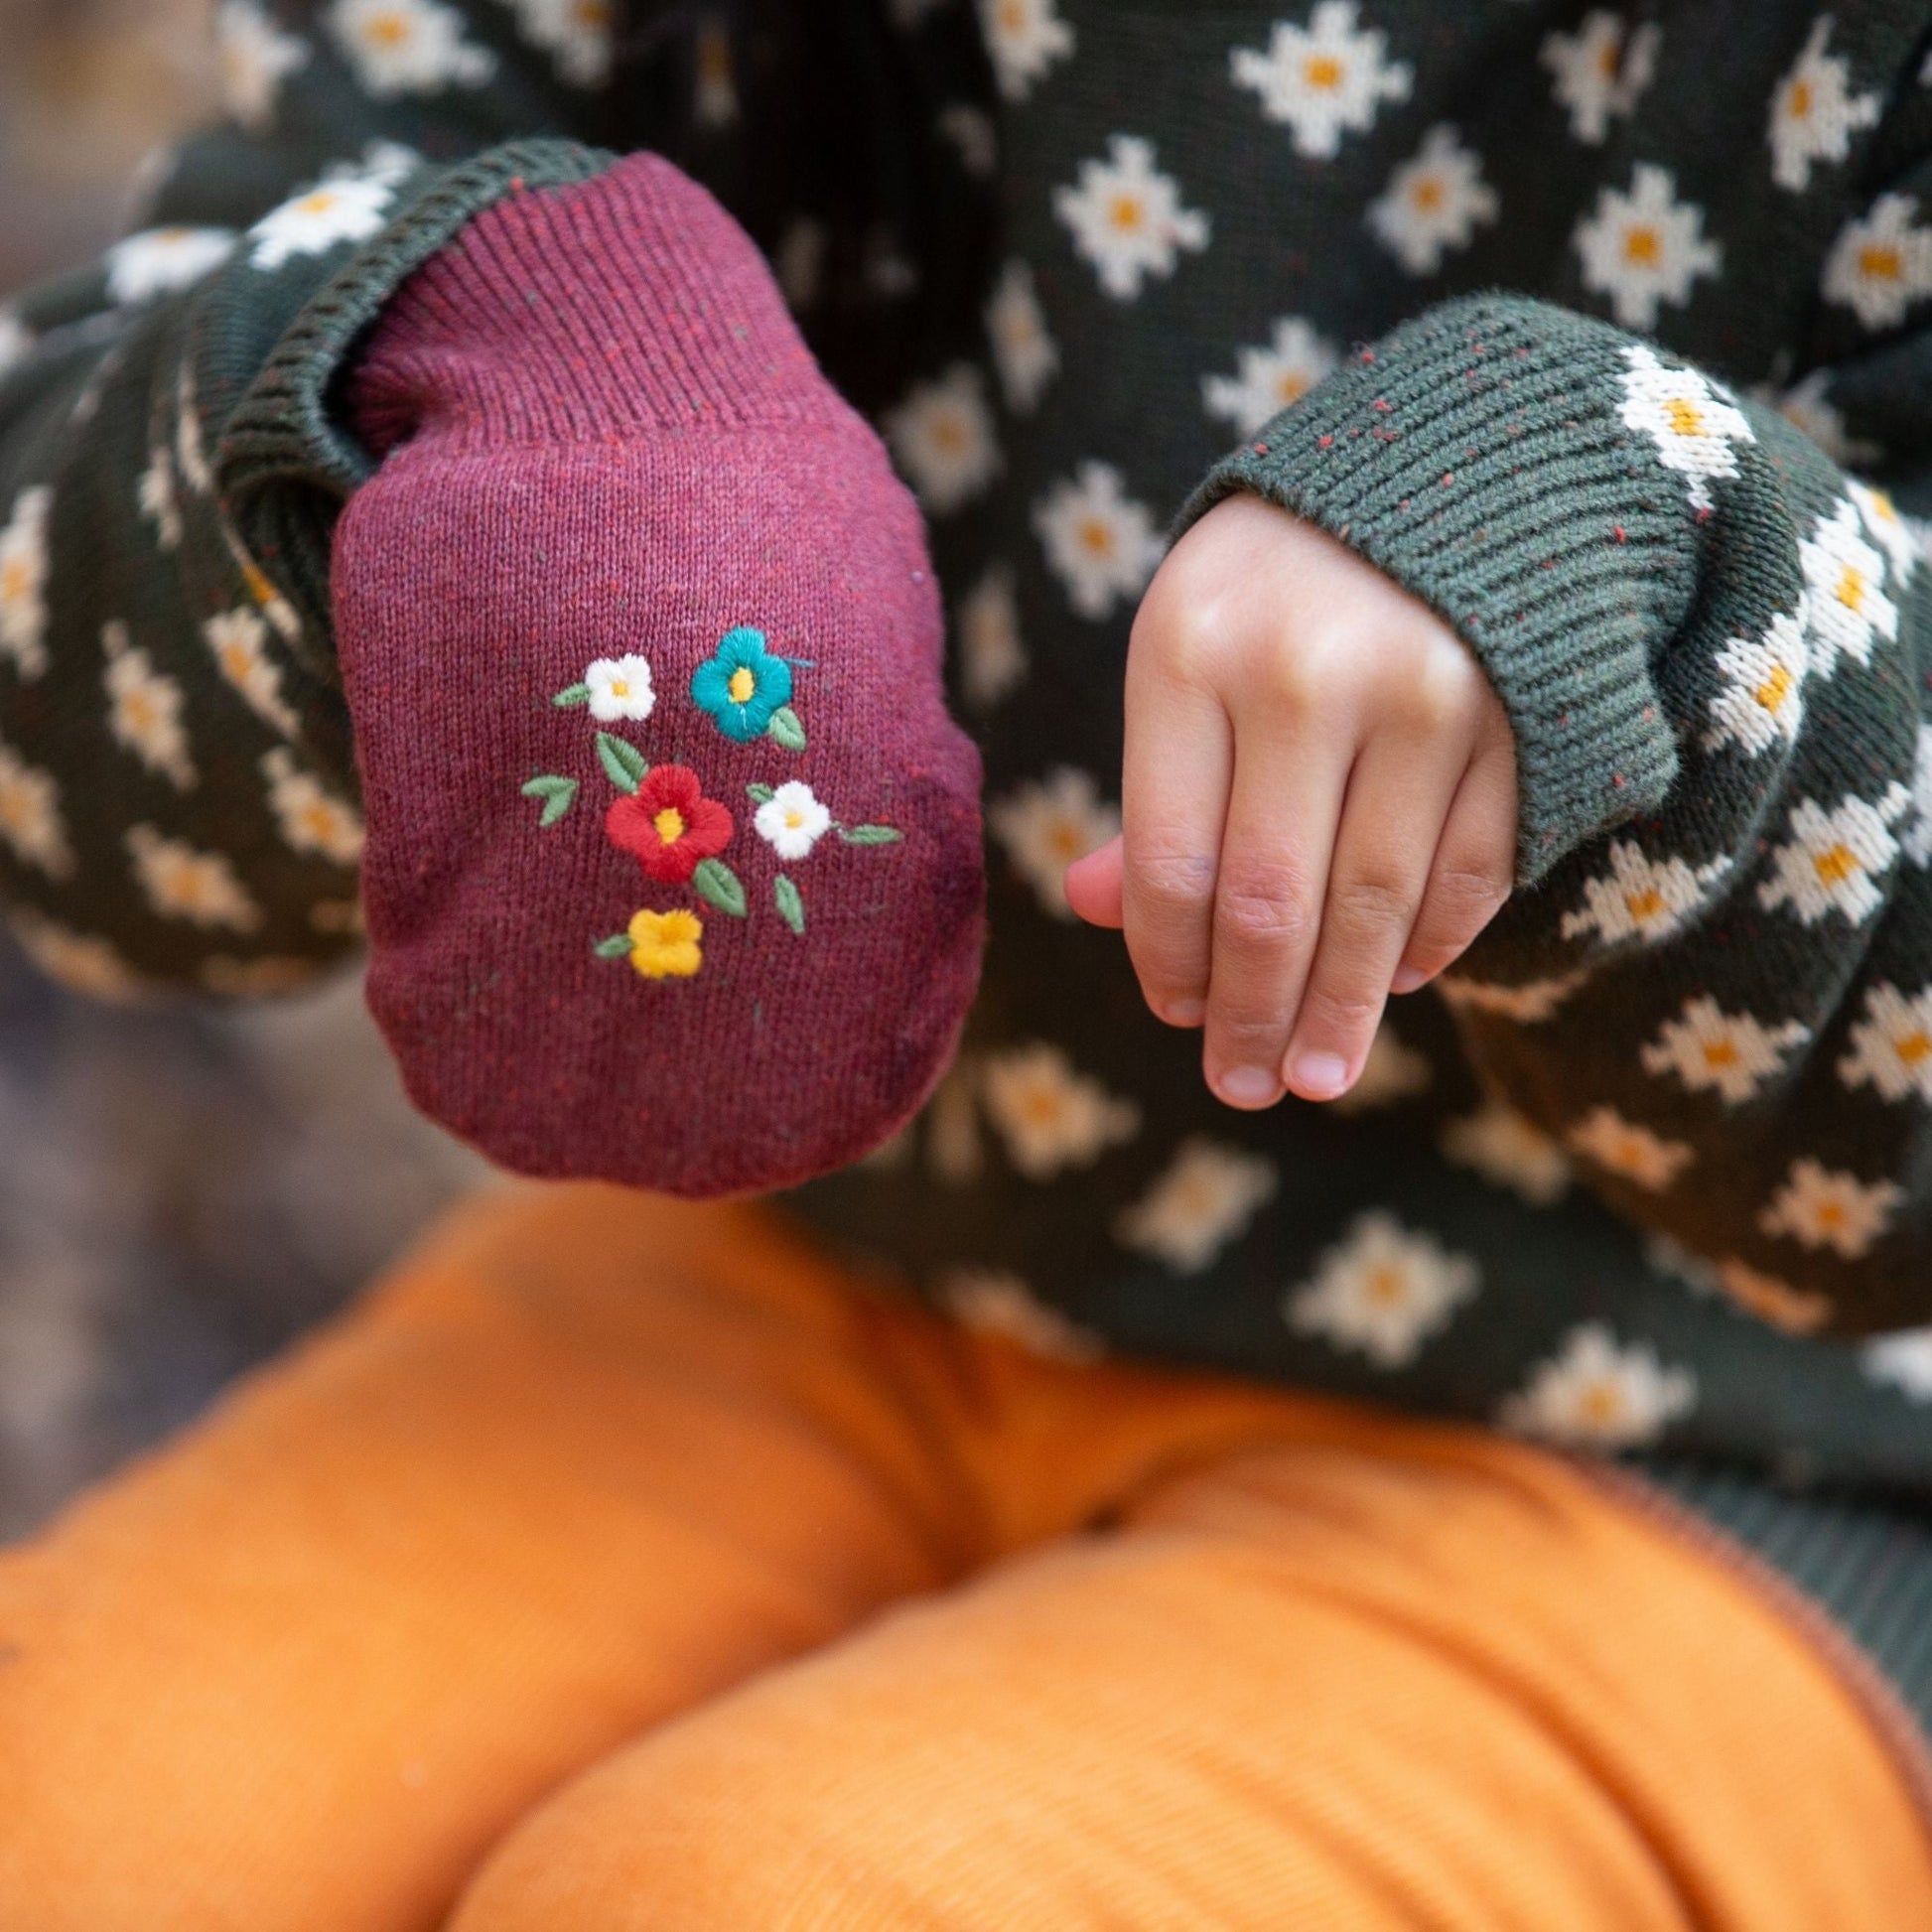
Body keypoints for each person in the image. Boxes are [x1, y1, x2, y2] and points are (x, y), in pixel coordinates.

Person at [4, 1, 1932, 1923]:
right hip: (813, 1243)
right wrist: (403, 355)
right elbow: (52, 733)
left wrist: (1651, 568)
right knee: (80, 1827)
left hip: (1679, 1440)